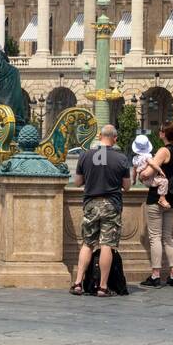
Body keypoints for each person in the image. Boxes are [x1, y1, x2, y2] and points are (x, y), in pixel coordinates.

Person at [71, 123, 130, 297]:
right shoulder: (121, 159)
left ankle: (77, 283)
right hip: (111, 205)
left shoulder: (85, 155)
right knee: (107, 245)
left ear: (99, 137)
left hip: (90, 204)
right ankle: (103, 287)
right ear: (115, 138)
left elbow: (77, 182)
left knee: (87, 243)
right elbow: (126, 187)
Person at [140, 123, 173, 288]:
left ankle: (156, 275)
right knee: (168, 237)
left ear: (163, 134)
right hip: (172, 198)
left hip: (156, 198)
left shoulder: (163, 151)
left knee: (155, 237)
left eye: (160, 130)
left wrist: (140, 174)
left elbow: (148, 174)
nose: (158, 132)